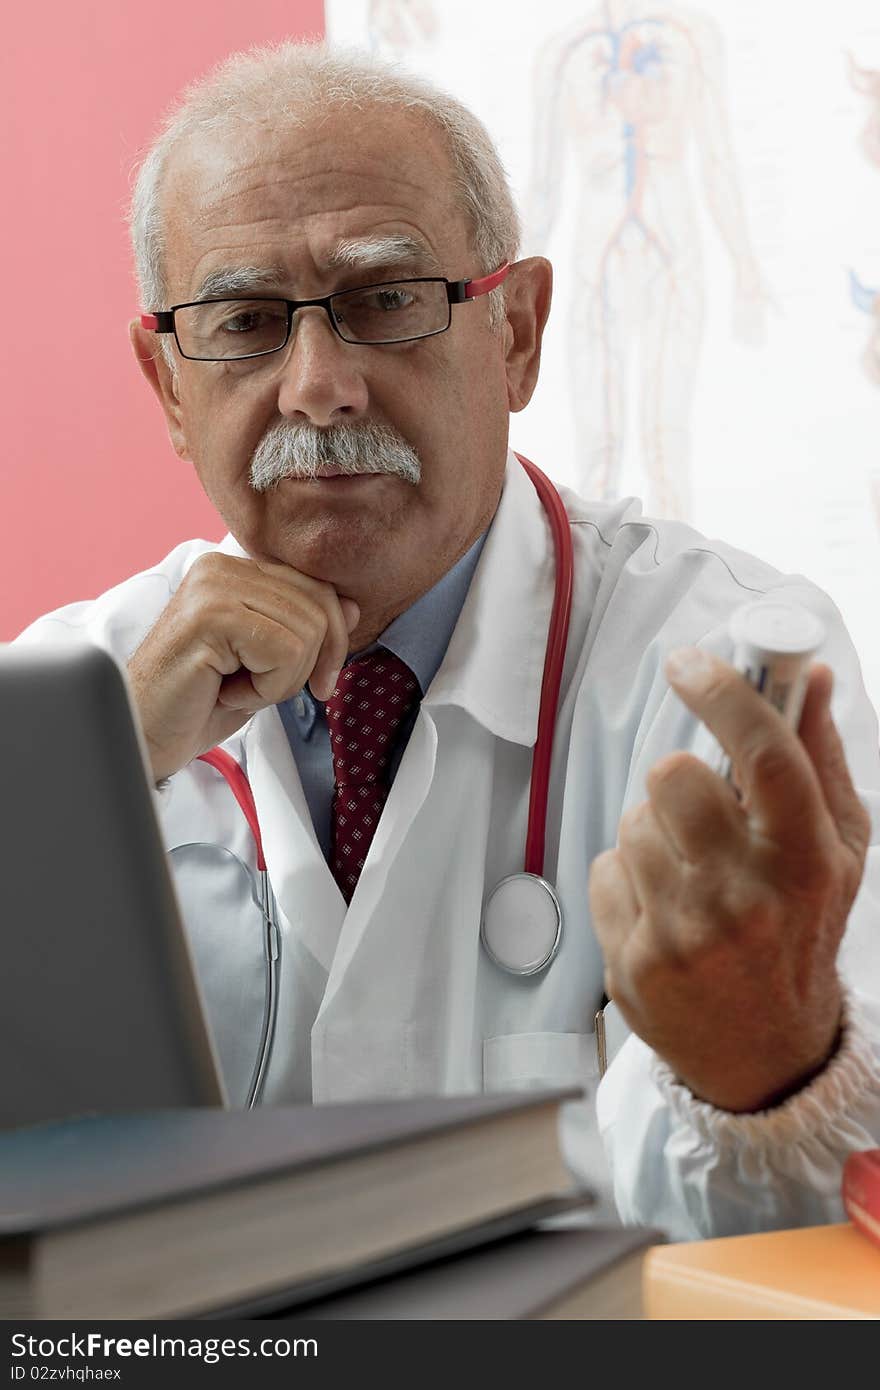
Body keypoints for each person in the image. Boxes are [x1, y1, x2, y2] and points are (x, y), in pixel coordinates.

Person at [16, 39, 880, 1242]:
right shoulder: (67, 705)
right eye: (247, 320)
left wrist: (774, 1072)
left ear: (516, 332)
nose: (318, 385)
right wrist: (86, 793)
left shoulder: (722, 666)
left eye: (383, 302)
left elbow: (827, 1235)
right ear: (166, 383)